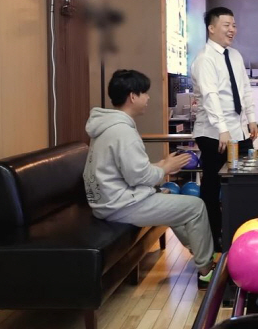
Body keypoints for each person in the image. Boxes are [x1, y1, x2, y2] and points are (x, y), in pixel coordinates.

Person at [83, 69, 215, 288]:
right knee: (196, 206)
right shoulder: (123, 132)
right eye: (144, 93)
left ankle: (200, 253)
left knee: (174, 203)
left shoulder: (108, 126)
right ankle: (206, 270)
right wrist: (166, 169)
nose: (148, 98)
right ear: (132, 96)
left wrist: (162, 164)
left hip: (109, 202)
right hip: (121, 206)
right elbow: (139, 177)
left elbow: (127, 171)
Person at [191, 7, 258, 252]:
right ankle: (214, 239)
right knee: (213, 185)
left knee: (244, 183)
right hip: (213, 133)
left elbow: (245, 89)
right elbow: (210, 96)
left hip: (239, 130)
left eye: (234, 25)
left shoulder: (235, 56)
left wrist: (251, 118)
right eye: (226, 25)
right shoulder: (204, 59)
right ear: (211, 28)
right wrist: (222, 129)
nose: (232, 30)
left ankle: (241, 233)